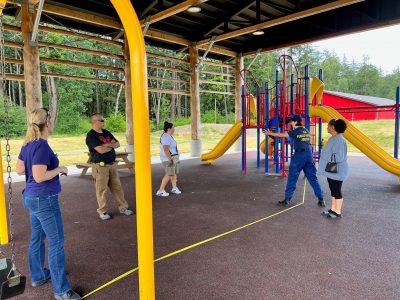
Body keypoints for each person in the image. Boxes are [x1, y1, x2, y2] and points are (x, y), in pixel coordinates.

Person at [16, 108, 81, 300]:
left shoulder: (28, 144)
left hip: (31, 197)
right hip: (44, 199)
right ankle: (61, 291)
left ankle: (38, 276)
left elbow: (20, 169)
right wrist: (60, 168)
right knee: (56, 242)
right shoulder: (42, 146)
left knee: (37, 237)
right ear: (48, 124)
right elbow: (39, 175)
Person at [266, 115, 325, 207]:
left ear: (296, 122)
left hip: (299, 156)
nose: (290, 123)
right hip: (309, 155)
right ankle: (321, 199)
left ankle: (287, 199)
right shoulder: (306, 130)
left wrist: (270, 133)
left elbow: (282, 135)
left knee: (292, 177)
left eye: (292, 122)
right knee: (313, 178)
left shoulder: (295, 131)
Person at [86, 113, 134, 220]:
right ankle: (102, 211)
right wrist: (110, 146)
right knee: (101, 190)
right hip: (100, 166)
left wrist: (107, 145)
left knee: (117, 188)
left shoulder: (106, 132)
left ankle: (123, 208)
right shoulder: (91, 135)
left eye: (104, 120)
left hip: (112, 165)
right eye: (101, 120)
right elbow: (101, 150)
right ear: (95, 122)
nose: (104, 122)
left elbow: (117, 144)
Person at [318, 119, 349, 219]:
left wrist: (326, 155)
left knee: (336, 190)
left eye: (328, 126)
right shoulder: (333, 138)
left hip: (338, 171)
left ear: (333, 127)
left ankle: (338, 212)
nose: (327, 127)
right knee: (333, 190)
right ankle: (332, 209)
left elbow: (339, 157)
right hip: (332, 170)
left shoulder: (339, 140)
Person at [156, 121, 182, 197]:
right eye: (173, 127)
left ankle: (174, 188)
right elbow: (166, 149)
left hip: (172, 158)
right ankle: (160, 190)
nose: (174, 129)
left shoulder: (168, 136)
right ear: (169, 129)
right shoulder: (166, 137)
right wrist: (169, 159)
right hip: (168, 159)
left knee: (173, 174)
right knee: (169, 174)